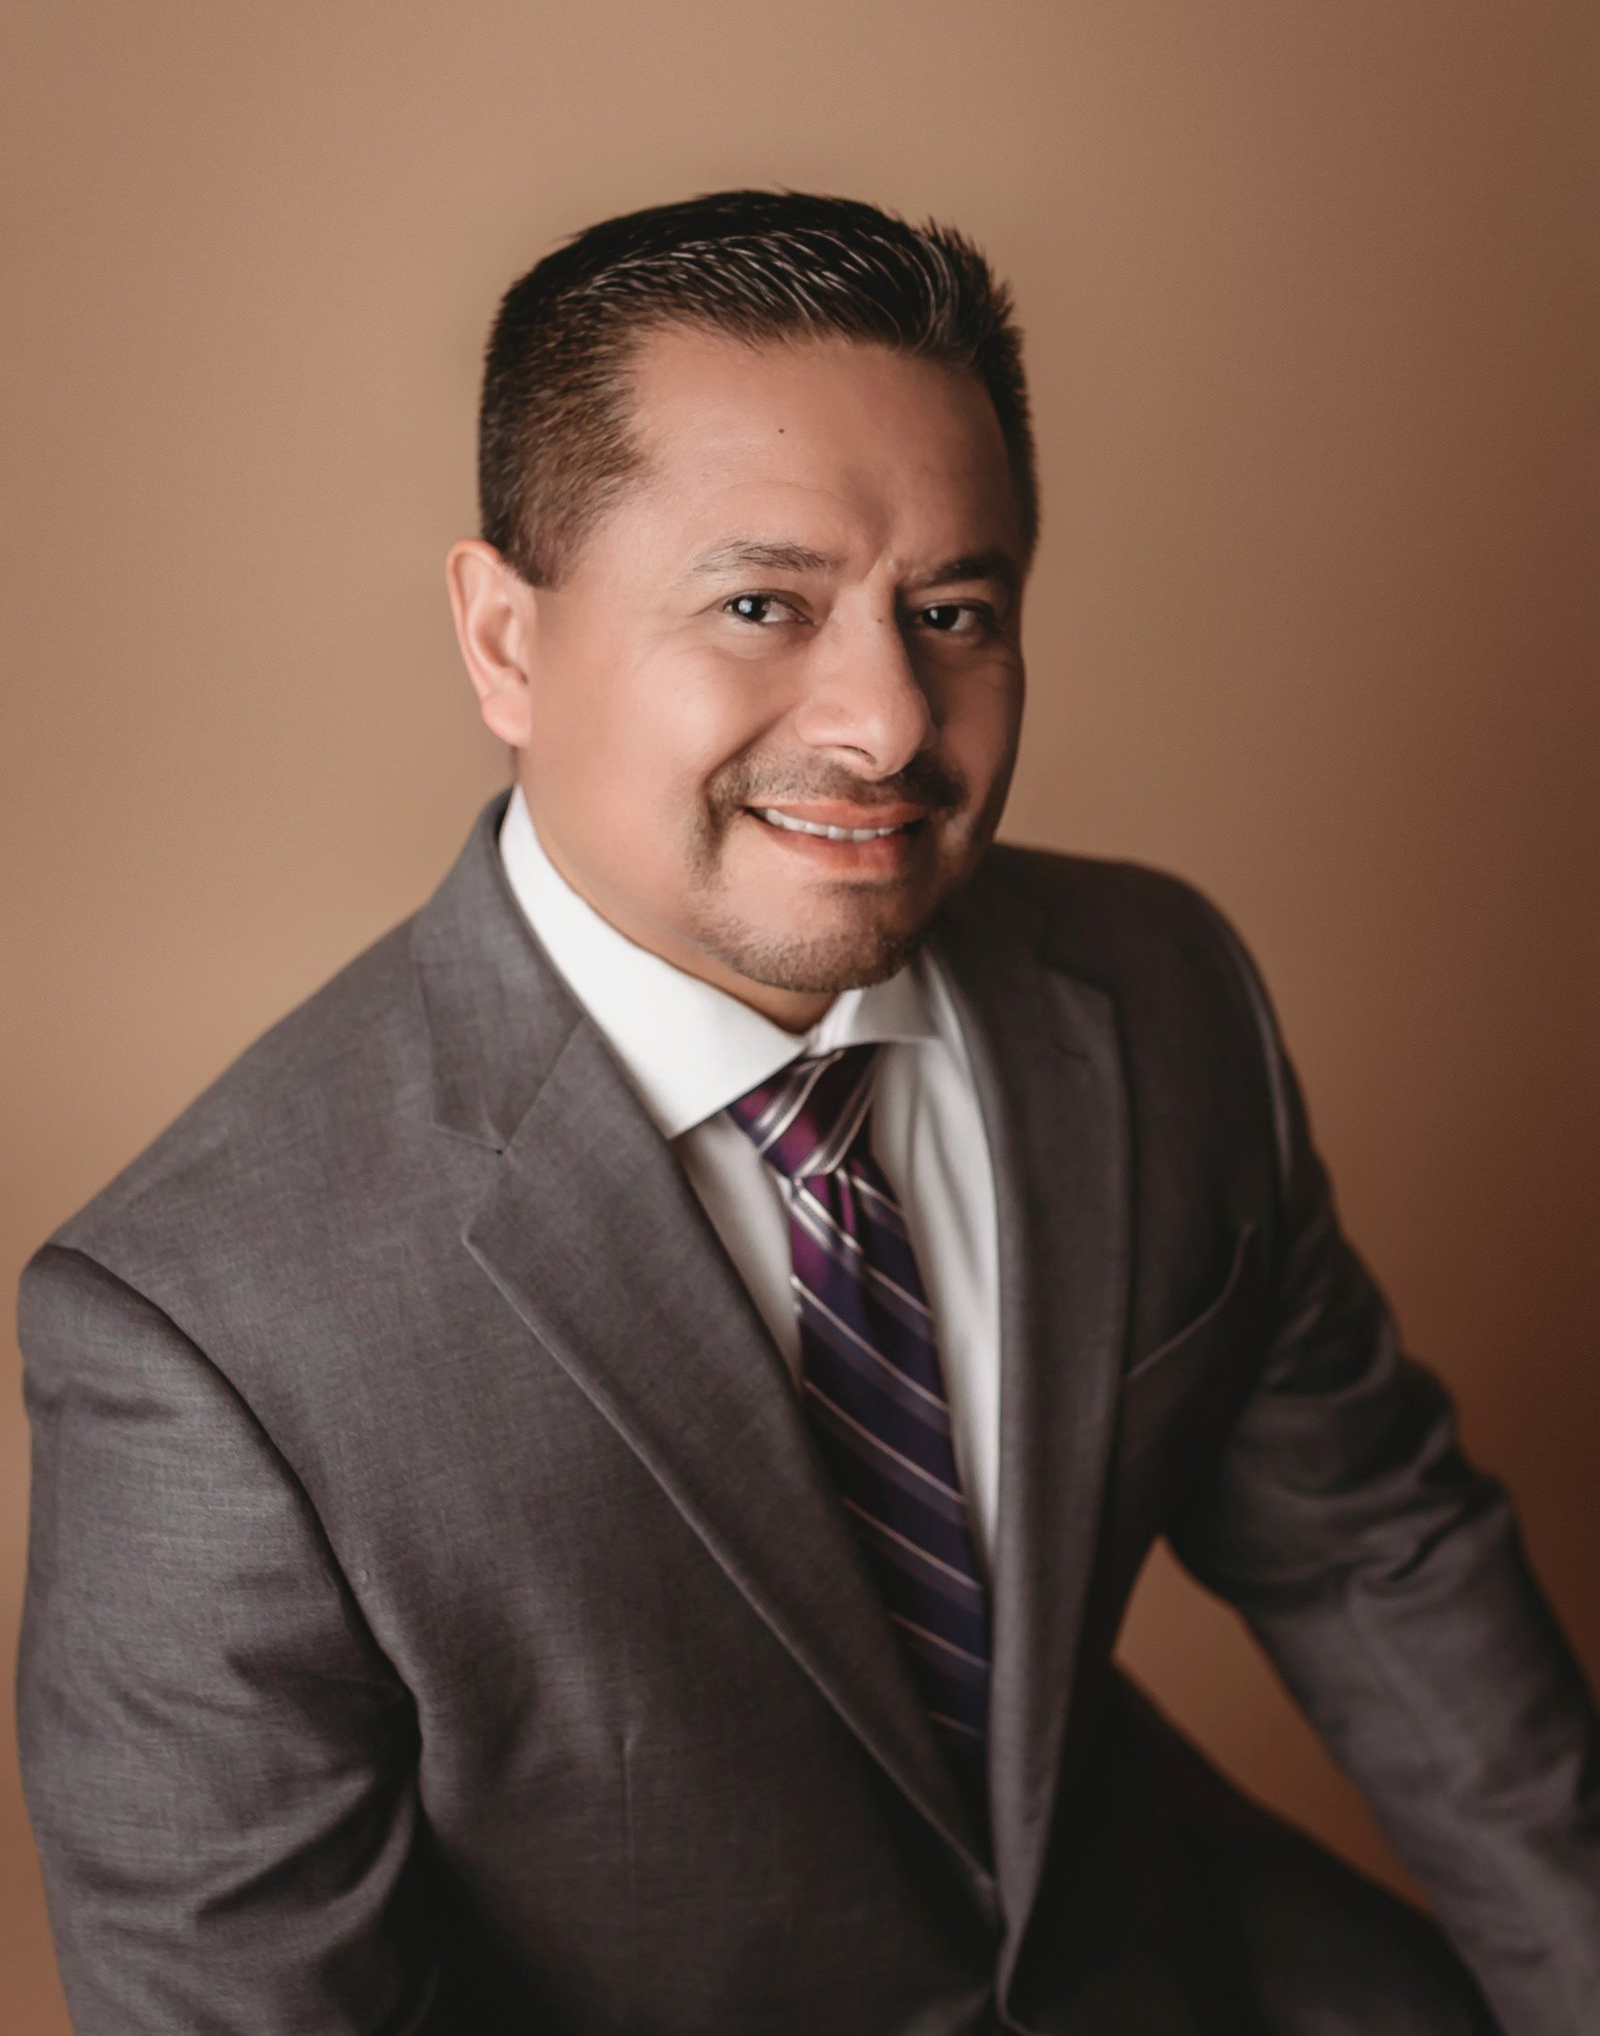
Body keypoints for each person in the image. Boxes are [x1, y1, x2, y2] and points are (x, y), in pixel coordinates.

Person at [16, 190, 1599, 2035]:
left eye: (954, 611)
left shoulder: (1163, 994)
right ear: (504, 639)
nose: (890, 722)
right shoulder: (204, 1334)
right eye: (761, 604)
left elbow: (1373, 1550)